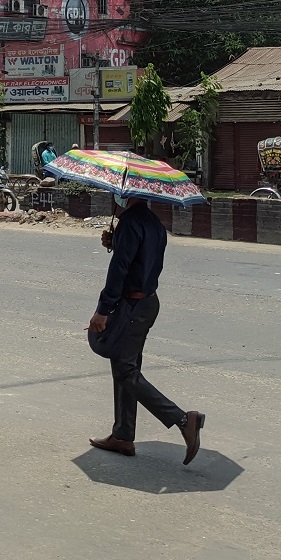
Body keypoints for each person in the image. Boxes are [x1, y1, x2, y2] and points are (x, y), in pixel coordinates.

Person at [88, 196, 205, 464]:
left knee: (126, 371)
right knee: (124, 365)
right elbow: (143, 260)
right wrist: (115, 242)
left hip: (131, 306)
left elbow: (120, 270)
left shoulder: (130, 223)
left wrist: (103, 310)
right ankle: (123, 435)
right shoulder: (154, 223)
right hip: (148, 303)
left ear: (124, 193)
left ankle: (184, 419)